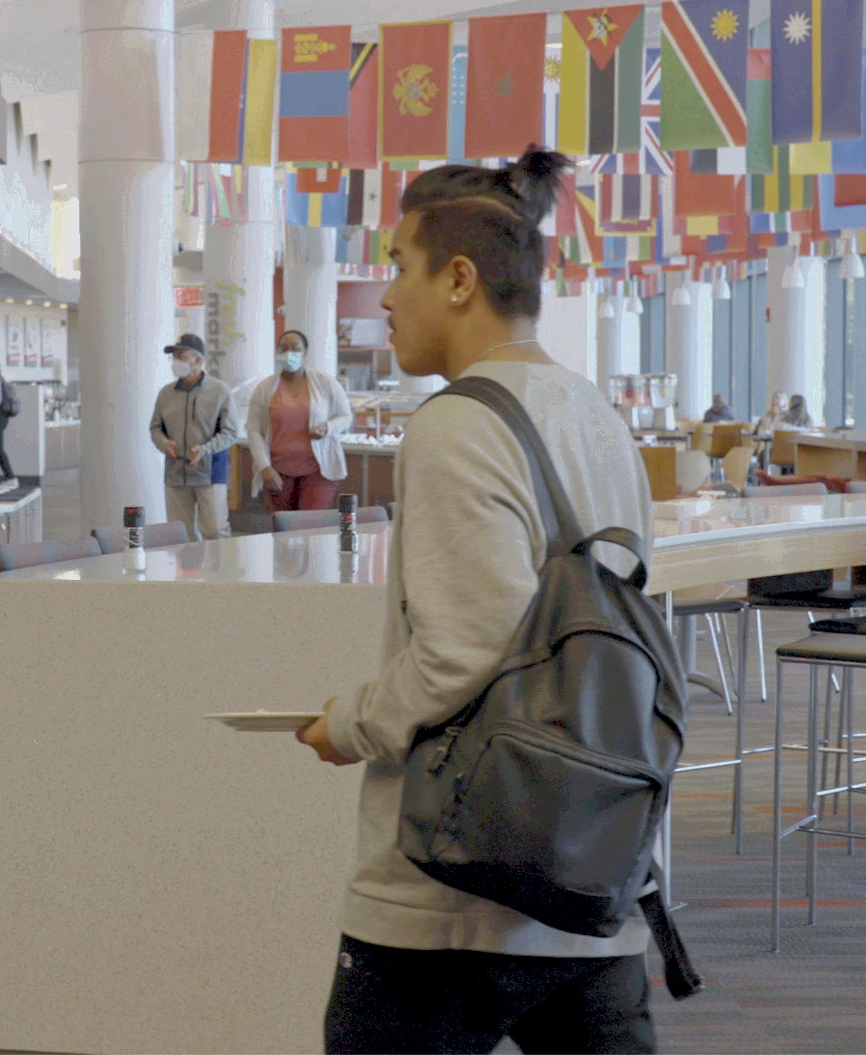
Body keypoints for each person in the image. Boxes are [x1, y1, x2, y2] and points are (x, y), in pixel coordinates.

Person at [293, 147, 658, 1054]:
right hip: (589, 860)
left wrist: (352, 724)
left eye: (398, 268)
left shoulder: (458, 422)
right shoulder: (596, 413)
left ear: (458, 280)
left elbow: (466, 647)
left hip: (453, 894)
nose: (384, 297)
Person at [245, 330, 354, 513]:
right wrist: (264, 466)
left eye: (295, 349)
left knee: (311, 528)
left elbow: (345, 417)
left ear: (305, 353)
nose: (289, 354)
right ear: (278, 353)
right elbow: (253, 429)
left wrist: (328, 428)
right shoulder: (264, 389)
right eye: (284, 349)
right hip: (278, 471)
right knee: (284, 530)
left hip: (319, 470)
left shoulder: (325, 383)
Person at [151, 333, 238, 540]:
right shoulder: (166, 394)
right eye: (174, 356)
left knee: (214, 531)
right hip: (175, 474)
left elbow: (230, 432)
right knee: (180, 534)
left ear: (198, 360)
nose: (175, 361)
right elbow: (155, 428)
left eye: (181, 356)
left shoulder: (219, 391)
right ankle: (185, 572)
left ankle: (219, 573)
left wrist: (205, 450)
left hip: (210, 472)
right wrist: (164, 444)